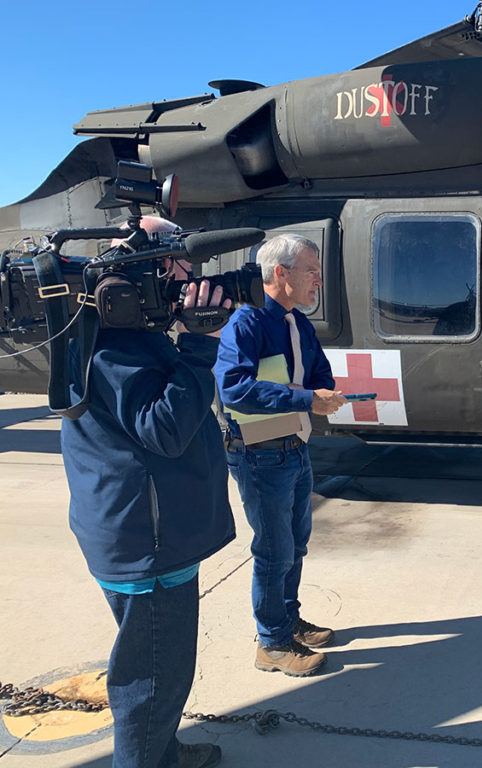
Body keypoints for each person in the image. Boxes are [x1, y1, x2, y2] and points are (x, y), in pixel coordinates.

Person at [62, 216, 235, 768]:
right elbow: (164, 429)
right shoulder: (117, 347)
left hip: (149, 535)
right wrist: (200, 345)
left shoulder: (116, 334)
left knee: (159, 672)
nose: (192, 280)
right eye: (184, 265)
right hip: (149, 546)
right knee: (151, 683)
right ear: (151, 268)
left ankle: (167, 753)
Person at [214, 234, 348, 676]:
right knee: (274, 550)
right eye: (311, 271)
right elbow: (233, 388)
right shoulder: (247, 324)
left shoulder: (298, 323)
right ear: (280, 273)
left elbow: (317, 372)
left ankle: (288, 621)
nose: (318, 281)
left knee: (296, 544)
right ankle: (271, 644)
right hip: (259, 455)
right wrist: (304, 399)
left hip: (295, 448)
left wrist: (323, 393)